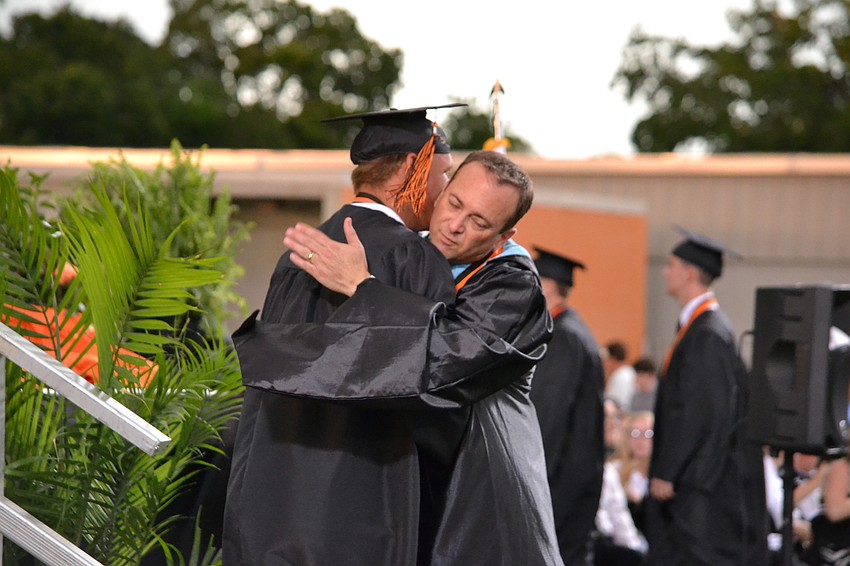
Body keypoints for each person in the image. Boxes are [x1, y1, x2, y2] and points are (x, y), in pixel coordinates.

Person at [234, 150, 561, 564]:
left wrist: (364, 287)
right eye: (455, 203)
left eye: (479, 221)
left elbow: (443, 361)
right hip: (420, 486)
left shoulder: (513, 287)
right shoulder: (412, 255)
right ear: (441, 190)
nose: (455, 226)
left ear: (503, 235)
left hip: (482, 493)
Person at [222, 104, 464, 565]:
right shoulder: (413, 257)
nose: (444, 191)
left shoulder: (301, 252)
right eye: (445, 175)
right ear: (414, 169)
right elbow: (434, 381)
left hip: (275, 492)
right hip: (363, 502)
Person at [644, 226, 768, 565]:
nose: (665, 272)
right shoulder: (699, 328)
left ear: (689, 273)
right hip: (693, 480)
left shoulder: (708, 334)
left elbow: (700, 413)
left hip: (699, 487)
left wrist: (669, 471)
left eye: (671, 265)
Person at [529, 248, 605, 565]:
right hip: (571, 478)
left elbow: (549, 416)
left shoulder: (564, 338)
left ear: (546, 287)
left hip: (560, 483)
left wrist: (529, 479)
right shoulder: (570, 331)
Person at [603, 340, 635, 409]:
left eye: (606, 359)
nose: (604, 363)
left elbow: (615, 403)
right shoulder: (628, 371)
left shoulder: (621, 376)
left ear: (612, 359)